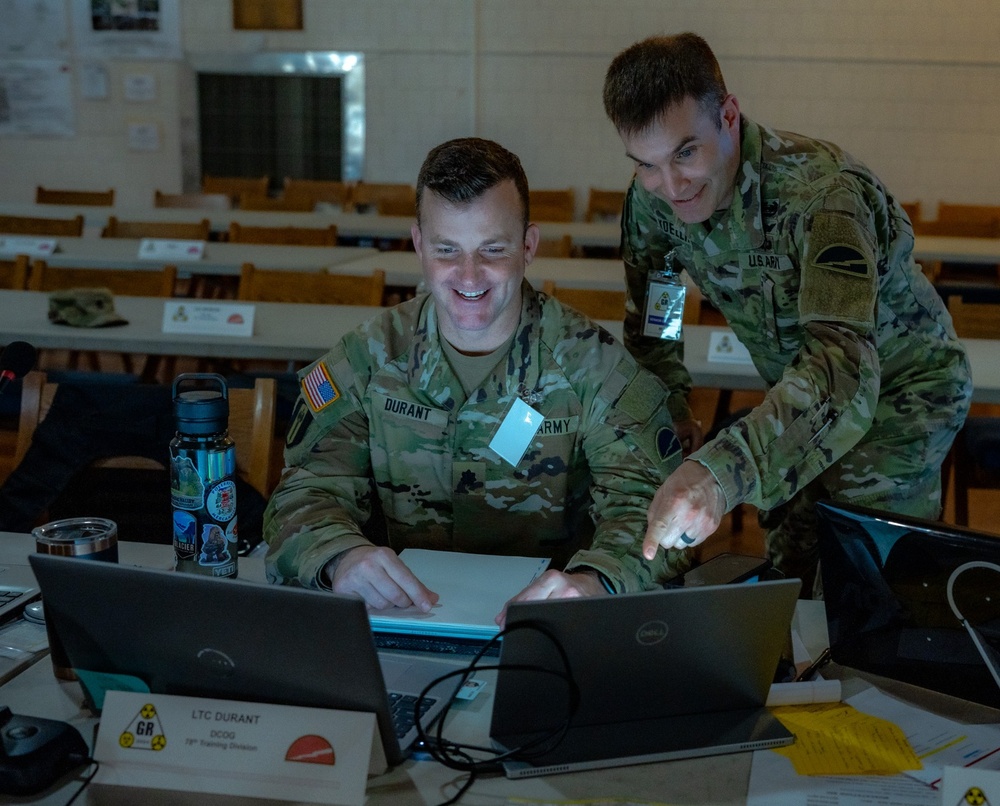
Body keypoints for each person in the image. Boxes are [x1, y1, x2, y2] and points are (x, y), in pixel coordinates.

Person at [602, 33, 972, 592]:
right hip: (803, 390)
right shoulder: (654, 203)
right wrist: (671, 409)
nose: (670, 186)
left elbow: (844, 370)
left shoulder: (822, 197)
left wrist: (719, 474)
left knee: (863, 585)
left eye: (685, 153)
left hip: (901, 392)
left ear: (728, 115)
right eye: (646, 165)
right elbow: (659, 317)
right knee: (790, 573)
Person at [263, 137, 689, 620]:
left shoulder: (592, 368)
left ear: (528, 245)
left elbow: (652, 514)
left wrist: (596, 583)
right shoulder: (367, 359)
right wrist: (341, 556)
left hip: (550, 631)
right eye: (447, 249)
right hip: (398, 622)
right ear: (419, 245)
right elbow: (305, 490)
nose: (469, 276)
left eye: (492, 249)